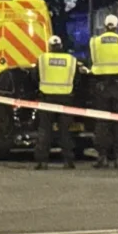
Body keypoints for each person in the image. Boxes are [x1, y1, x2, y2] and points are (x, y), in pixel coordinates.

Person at [89, 14, 118, 169]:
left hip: (102, 86)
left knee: (102, 123)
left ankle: (102, 157)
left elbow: (93, 60)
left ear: (104, 26)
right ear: (117, 26)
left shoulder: (95, 41)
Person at [33, 35, 78, 170]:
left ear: (50, 47)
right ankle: (68, 161)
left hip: (47, 99)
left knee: (45, 130)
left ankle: (42, 162)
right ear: (61, 46)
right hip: (65, 99)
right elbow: (77, 79)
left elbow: (35, 77)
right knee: (65, 131)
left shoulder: (42, 59)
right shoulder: (71, 60)